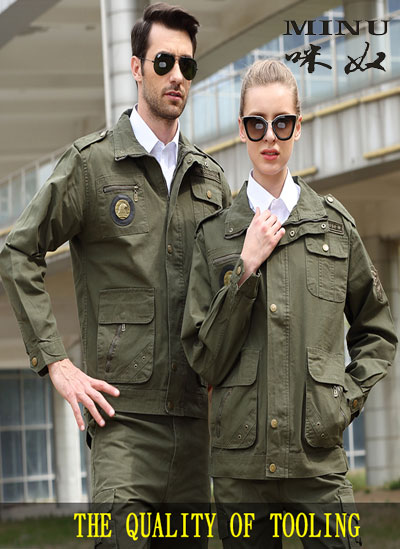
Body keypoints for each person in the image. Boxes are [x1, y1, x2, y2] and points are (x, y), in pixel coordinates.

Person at [0, 3, 231, 547]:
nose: (177, 76)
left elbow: (226, 297)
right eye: (164, 62)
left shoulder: (211, 179)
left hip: (196, 430)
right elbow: (18, 251)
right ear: (135, 67)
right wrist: (56, 362)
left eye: (187, 66)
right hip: (123, 427)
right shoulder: (91, 165)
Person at [181, 59, 397, 548]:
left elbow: (378, 330)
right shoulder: (215, 237)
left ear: (299, 126)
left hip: (317, 464)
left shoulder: (334, 227)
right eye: (256, 124)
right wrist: (245, 269)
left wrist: (343, 400)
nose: (269, 137)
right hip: (241, 471)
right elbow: (203, 359)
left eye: (281, 123)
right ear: (241, 130)